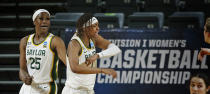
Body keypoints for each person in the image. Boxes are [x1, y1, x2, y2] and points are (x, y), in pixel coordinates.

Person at [62, 13, 121, 94]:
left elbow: (115, 49)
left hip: (89, 90)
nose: (98, 28)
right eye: (94, 26)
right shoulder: (74, 43)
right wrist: (102, 70)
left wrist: (98, 55)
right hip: (74, 90)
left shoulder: (94, 39)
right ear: (85, 28)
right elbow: (74, 68)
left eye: (98, 25)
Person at [19, 9, 66, 94]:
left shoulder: (55, 41)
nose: (45, 21)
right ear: (34, 21)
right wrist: (25, 78)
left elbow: (69, 63)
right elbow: (22, 69)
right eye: (41, 18)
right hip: (27, 87)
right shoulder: (25, 41)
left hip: (46, 87)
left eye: (47, 19)